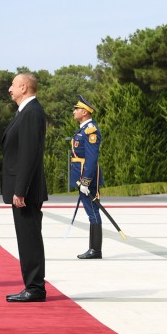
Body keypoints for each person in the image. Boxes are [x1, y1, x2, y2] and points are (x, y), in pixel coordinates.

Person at [2, 73, 48, 302]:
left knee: (29, 238)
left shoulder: (31, 113)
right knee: (27, 238)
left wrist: (20, 190)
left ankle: (35, 288)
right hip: (24, 188)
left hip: (26, 191)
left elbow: (28, 155)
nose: (9, 89)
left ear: (23, 87)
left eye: (12, 85)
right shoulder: (26, 112)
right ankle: (32, 285)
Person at [70, 95, 103, 259]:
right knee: (90, 211)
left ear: (84, 111)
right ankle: (93, 248)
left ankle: (96, 250)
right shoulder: (83, 129)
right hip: (81, 176)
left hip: (87, 177)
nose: (74, 112)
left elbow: (91, 158)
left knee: (93, 211)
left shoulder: (91, 131)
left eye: (76, 109)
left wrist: (86, 181)